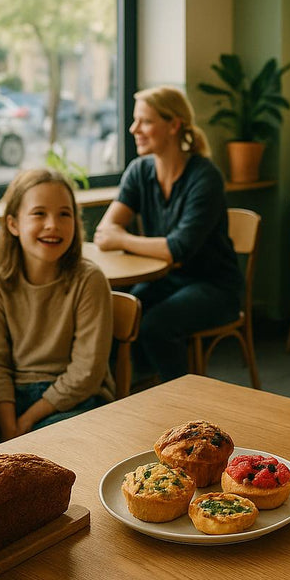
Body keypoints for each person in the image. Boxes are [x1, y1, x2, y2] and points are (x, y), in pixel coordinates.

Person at [94, 86, 242, 381]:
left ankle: (178, 398)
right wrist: (128, 239)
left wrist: (123, 239)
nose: (134, 129)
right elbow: (104, 231)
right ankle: (137, 388)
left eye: (145, 121)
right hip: (166, 280)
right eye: (135, 120)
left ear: (174, 125)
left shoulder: (205, 177)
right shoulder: (139, 171)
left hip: (215, 286)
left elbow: (178, 249)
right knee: (118, 313)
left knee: (155, 326)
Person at [0, 168, 115, 439]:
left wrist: (27, 420)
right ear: (13, 225)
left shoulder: (89, 280)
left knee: (48, 443)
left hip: (76, 400)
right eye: (39, 214)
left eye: (64, 214)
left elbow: (86, 373)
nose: (53, 224)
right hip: (12, 399)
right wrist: (9, 425)